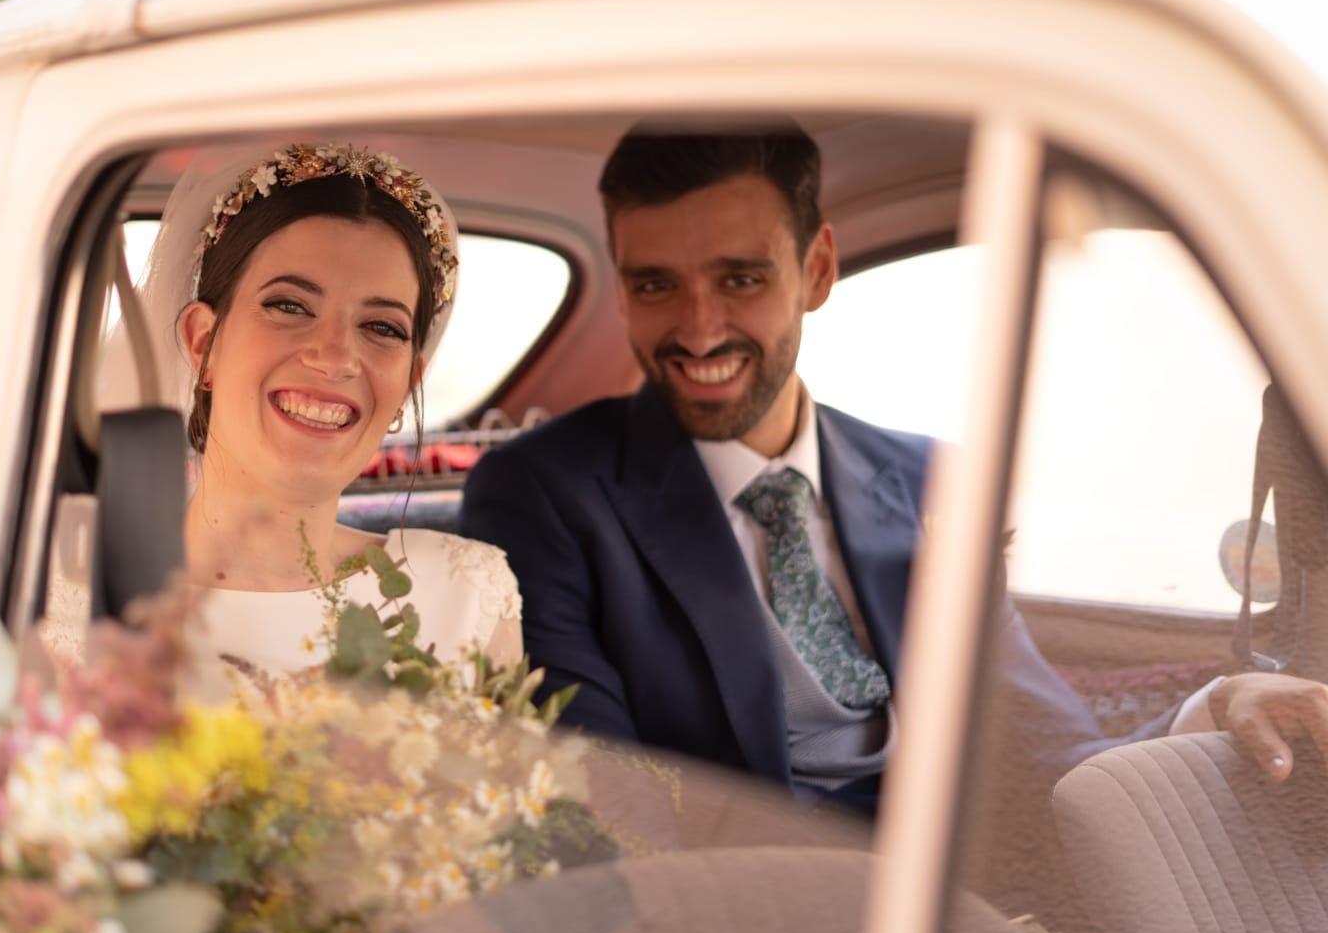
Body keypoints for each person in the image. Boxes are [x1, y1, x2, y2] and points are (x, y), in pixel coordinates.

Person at [460, 124, 1328, 820]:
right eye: (655, 286)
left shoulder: (928, 478)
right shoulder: (543, 491)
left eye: (740, 278)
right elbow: (606, 803)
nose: (697, 327)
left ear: (818, 270)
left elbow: (1042, 756)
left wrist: (1214, 706)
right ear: (620, 292)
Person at [137, 142, 522, 700]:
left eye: (382, 327)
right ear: (203, 344)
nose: (336, 357)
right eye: (289, 306)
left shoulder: (470, 598)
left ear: (408, 382)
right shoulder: (74, 601)